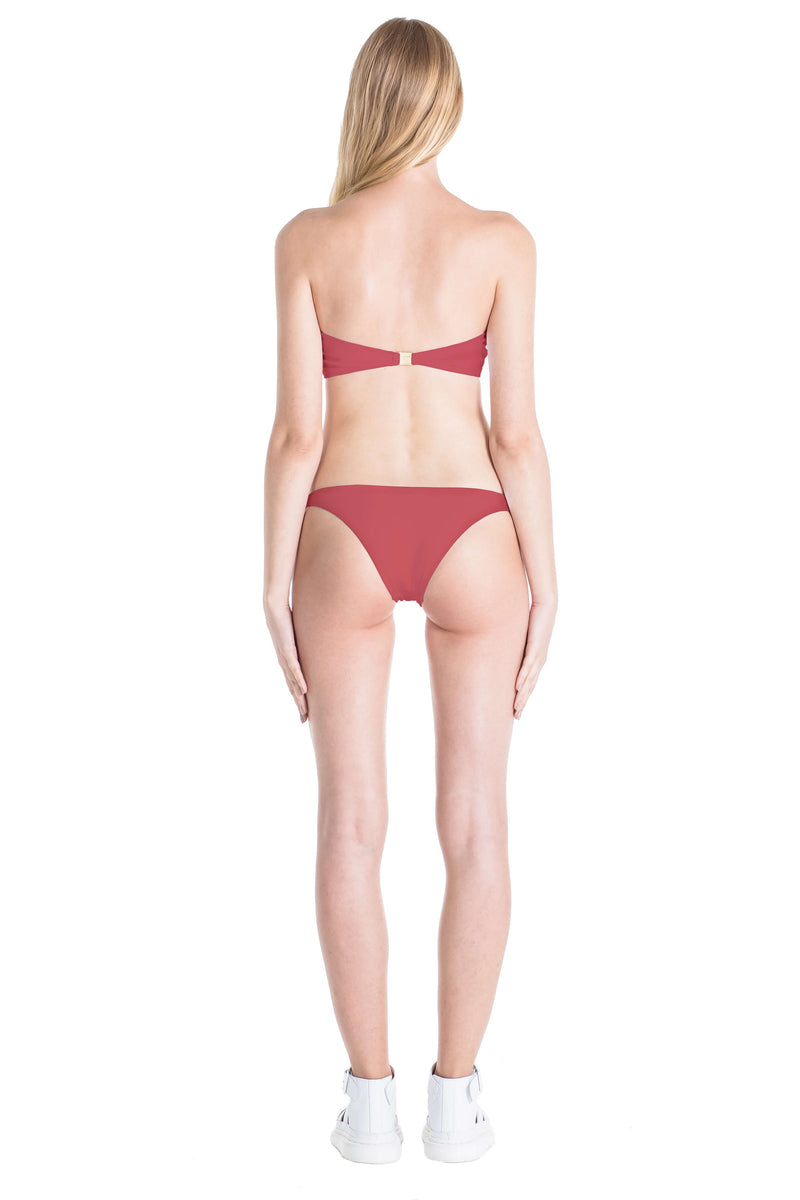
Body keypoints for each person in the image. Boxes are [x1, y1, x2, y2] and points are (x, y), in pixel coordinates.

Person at [262, 17, 557, 1165]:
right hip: (471, 528)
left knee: (349, 820)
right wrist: (548, 582)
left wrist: (271, 580)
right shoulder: (500, 241)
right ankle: (454, 1103)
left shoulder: (306, 239)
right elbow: (514, 433)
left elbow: (297, 434)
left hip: (340, 524)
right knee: (474, 819)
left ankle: (369, 1108)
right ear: (448, 105)